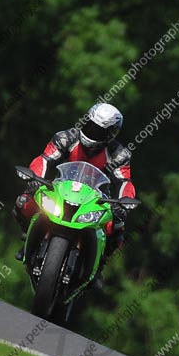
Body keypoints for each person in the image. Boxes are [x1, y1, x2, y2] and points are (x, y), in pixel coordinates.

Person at [11, 103, 136, 289]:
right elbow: (45, 159)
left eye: (99, 131)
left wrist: (124, 202)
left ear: (111, 135)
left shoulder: (119, 154)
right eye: (89, 125)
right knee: (24, 201)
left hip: (95, 200)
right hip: (60, 190)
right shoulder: (65, 138)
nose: (91, 132)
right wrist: (35, 178)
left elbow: (125, 181)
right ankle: (28, 235)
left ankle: (99, 266)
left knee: (117, 224)